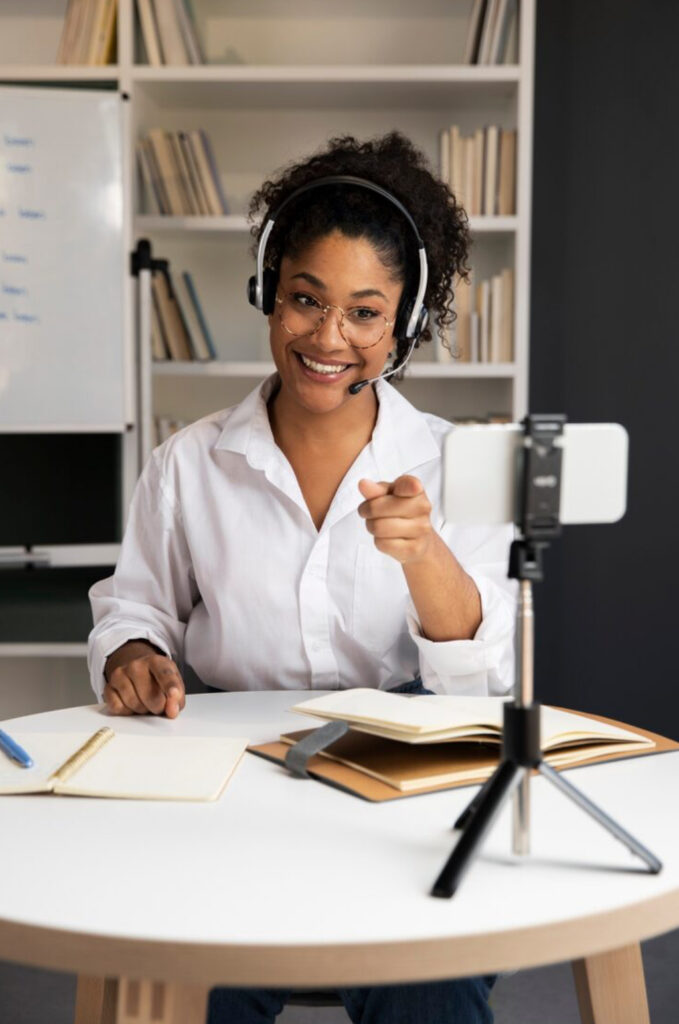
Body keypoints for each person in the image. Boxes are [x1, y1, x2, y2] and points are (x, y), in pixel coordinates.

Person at [88, 131, 515, 1023]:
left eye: (364, 312)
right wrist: (133, 653)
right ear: (266, 292)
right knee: (179, 977)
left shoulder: (455, 465)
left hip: (403, 791)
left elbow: (479, 679)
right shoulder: (188, 463)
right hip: (225, 784)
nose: (328, 337)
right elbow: (134, 606)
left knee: (430, 985)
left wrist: (424, 555)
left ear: (403, 322)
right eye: (304, 300)